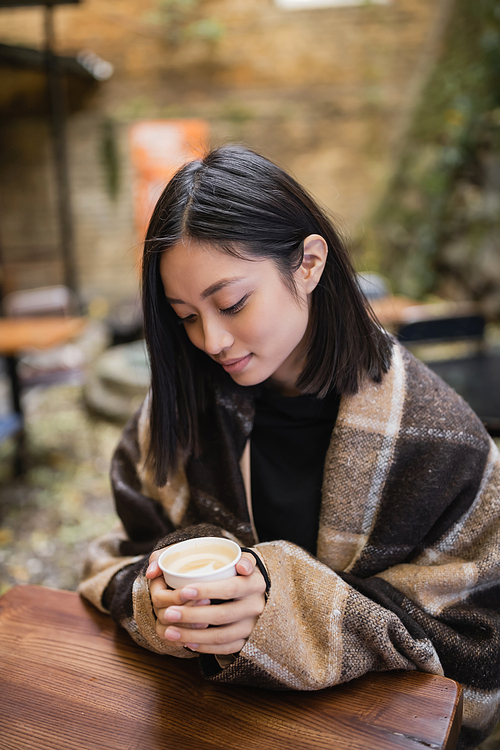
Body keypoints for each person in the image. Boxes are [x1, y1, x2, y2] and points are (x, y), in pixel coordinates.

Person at [80, 145, 500, 750]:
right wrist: (166, 599)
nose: (213, 341)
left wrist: (281, 605)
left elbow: (480, 649)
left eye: (231, 304)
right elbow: (120, 558)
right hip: (203, 725)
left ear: (307, 263)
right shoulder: (180, 410)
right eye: (185, 317)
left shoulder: (437, 438)